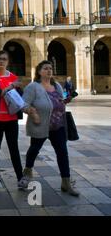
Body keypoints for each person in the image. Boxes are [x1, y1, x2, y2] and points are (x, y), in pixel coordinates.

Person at [21, 60, 79, 196]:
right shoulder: (33, 87)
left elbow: (59, 101)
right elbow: (23, 104)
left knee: (62, 153)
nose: (49, 71)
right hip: (40, 124)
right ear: (39, 71)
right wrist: (32, 112)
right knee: (34, 149)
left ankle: (66, 182)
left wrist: (65, 101)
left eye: (50, 68)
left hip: (58, 125)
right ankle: (28, 170)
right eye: (46, 68)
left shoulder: (56, 85)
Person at [0, 50, 28, 188]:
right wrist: (12, 86)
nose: (1, 61)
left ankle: (20, 177)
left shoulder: (13, 77)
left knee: (13, 147)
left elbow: (20, 96)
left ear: (8, 61)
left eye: (4, 59)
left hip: (11, 117)